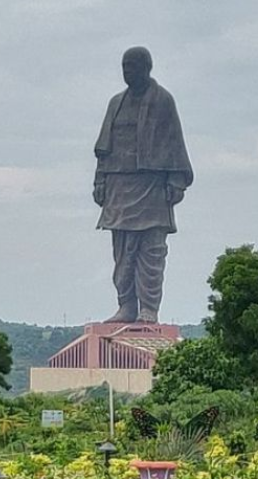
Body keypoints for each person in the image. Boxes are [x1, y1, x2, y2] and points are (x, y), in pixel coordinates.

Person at [93, 46, 193, 324]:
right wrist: (99, 180)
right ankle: (126, 305)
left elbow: (174, 143)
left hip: (151, 187)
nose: (127, 72)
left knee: (151, 250)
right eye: (124, 67)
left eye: (132, 67)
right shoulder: (116, 103)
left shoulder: (162, 100)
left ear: (146, 68)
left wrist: (175, 181)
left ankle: (149, 308)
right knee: (122, 252)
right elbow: (103, 148)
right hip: (118, 186)